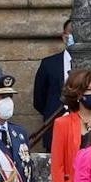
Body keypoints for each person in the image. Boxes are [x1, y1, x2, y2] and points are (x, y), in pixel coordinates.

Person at [33, 19, 73, 150]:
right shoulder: (48, 64)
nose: (74, 37)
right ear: (64, 36)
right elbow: (39, 99)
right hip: (54, 128)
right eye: (71, 33)